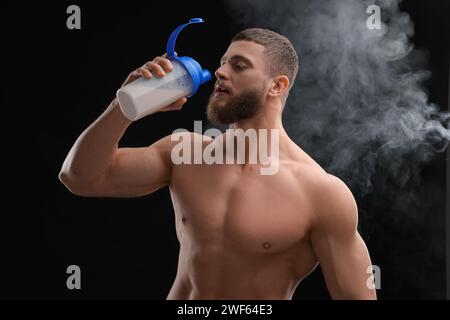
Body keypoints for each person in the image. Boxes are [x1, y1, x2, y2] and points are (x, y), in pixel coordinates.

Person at [59, 28, 377, 300]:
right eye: (223, 63)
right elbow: (80, 178)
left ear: (276, 86)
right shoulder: (184, 154)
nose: (221, 72)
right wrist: (124, 105)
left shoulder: (320, 192)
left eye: (239, 66)